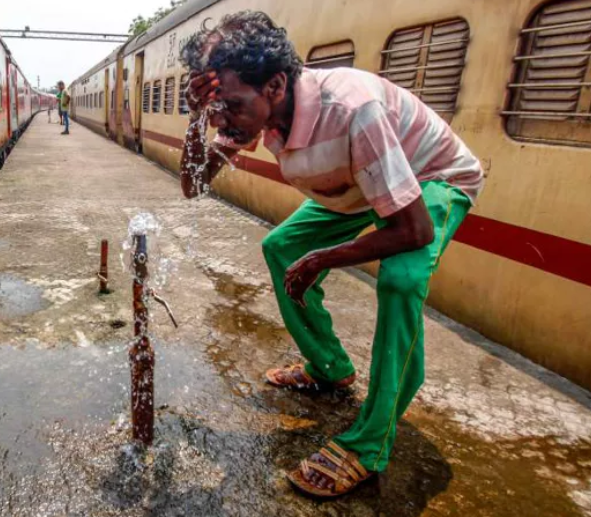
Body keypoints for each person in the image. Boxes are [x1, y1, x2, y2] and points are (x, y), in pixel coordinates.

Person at [178, 11, 483, 497]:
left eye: (229, 106)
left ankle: (369, 444)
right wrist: (198, 120)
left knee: (402, 280)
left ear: (275, 85)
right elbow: (193, 185)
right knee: (281, 248)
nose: (223, 119)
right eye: (215, 107)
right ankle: (330, 369)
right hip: (361, 184)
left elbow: (414, 229)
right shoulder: (254, 110)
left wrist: (323, 258)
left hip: (428, 182)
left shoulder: (349, 108)